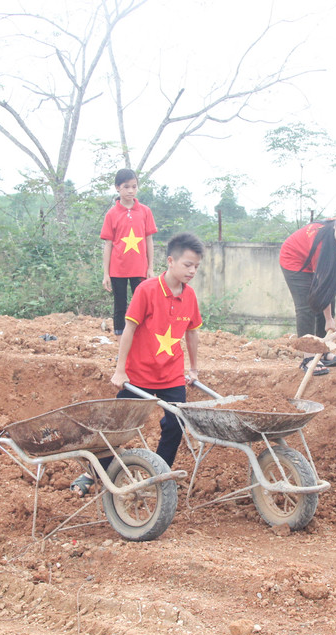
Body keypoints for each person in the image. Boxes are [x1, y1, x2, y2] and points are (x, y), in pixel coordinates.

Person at [71, 233, 204, 496]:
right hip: (139, 374)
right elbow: (129, 329)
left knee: (176, 424)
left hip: (172, 375)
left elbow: (192, 332)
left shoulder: (190, 296)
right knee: (119, 426)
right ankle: (94, 472)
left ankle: (158, 474)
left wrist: (194, 369)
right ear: (170, 261)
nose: (192, 271)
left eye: (197, 266)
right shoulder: (147, 290)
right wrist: (120, 370)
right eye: (188, 264)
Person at [279, 209, 336, 376]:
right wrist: (329, 319)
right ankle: (309, 357)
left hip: (316, 260)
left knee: (328, 299)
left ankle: (323, 351)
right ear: (335, 226)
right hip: (295, 259)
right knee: (307, 307)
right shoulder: (320, 244)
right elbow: (322, 286)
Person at [101, 168, 156, 335]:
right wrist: (106, 273)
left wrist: (150, 267)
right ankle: (121, 349)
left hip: (139, 268)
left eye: (134, 186)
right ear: (118, 187)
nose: (131, 190)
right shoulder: (112, 214)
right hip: (118, 270)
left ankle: (141, 344)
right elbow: (108, 244)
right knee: (120, 306)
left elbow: (149, 240)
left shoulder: (145, 211)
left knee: (143, 306)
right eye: (126, 186)